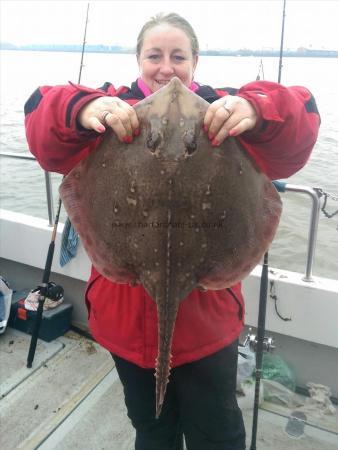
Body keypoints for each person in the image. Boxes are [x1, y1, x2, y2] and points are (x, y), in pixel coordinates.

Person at [24, 12, 320, 450]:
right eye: (155, 55)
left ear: (195, 61)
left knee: (217, 430)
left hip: (208, 321)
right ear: (138, 59)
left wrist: (256, 109)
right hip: (125, 317)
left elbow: (302, 114)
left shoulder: (226, 107)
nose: (167, 67)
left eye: (178, 56)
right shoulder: (108, 107)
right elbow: (40, 115)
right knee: (152, 428)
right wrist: (82, 108)